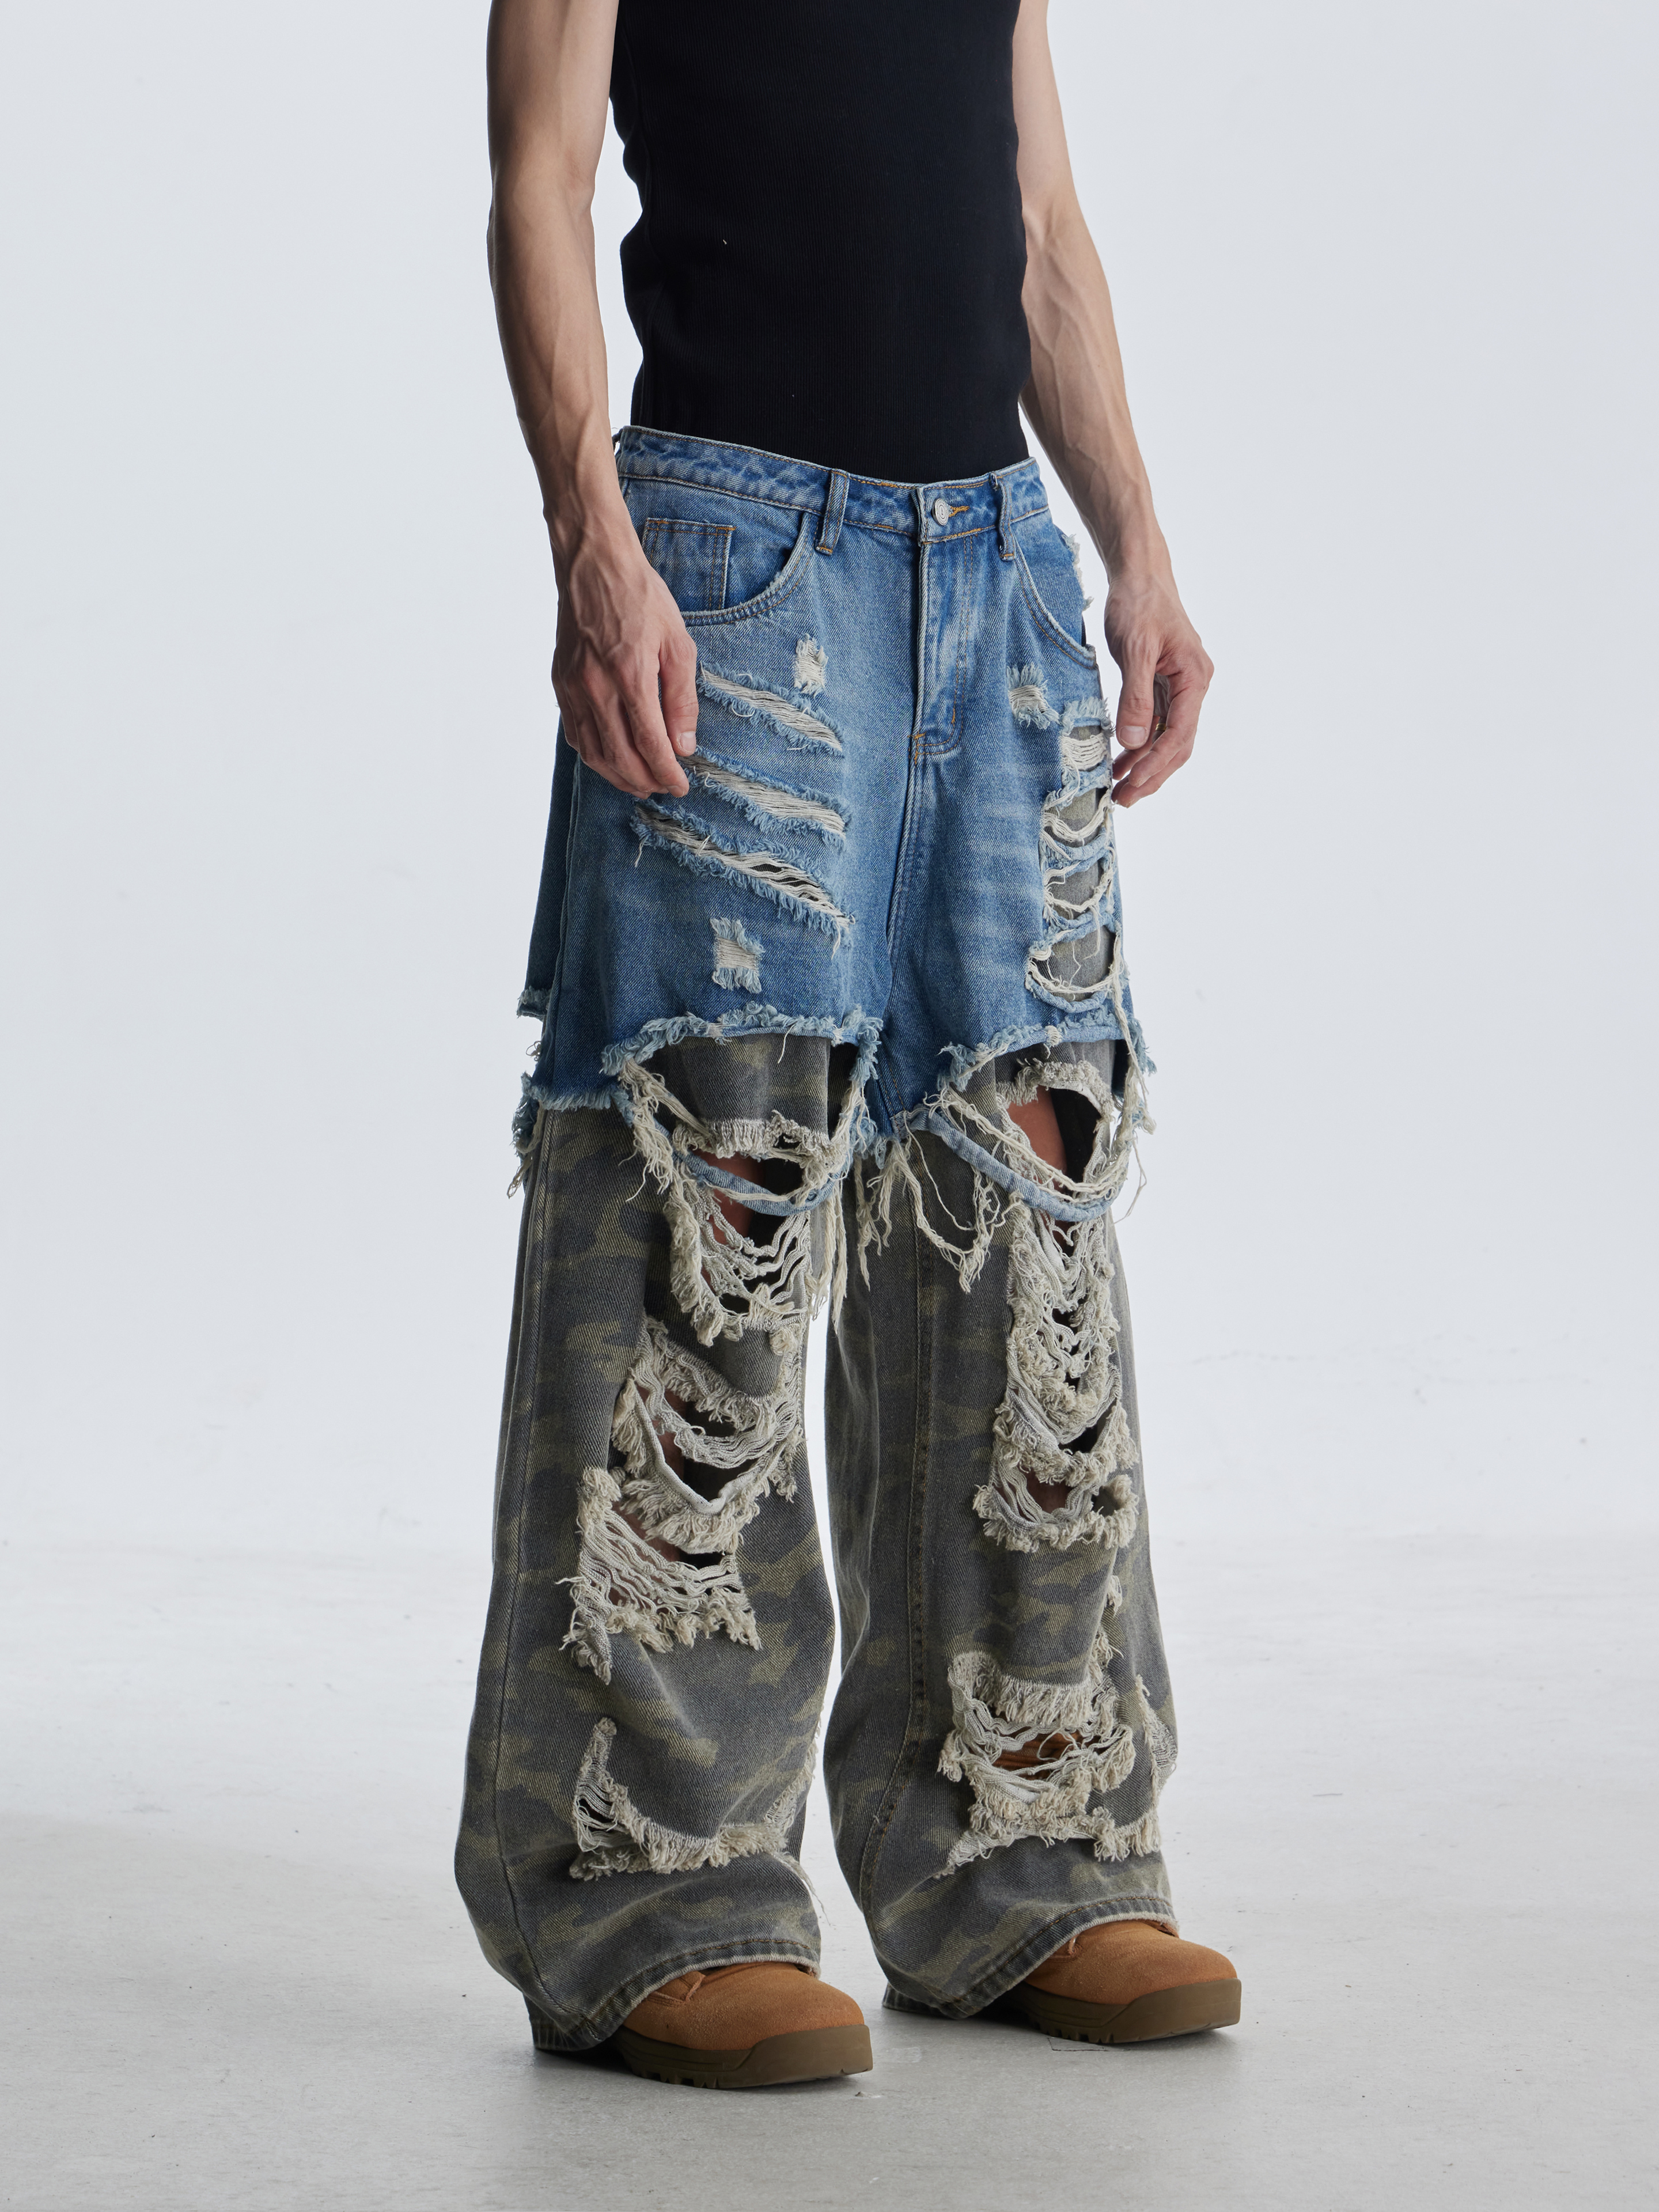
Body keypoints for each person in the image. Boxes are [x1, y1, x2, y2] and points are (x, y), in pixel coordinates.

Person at [457, 0, 1234, 2090]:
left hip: (998, 561)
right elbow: (537, 175)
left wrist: (1137, 541)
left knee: (1028, 1206)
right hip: (735, 549)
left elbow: (1037, 222)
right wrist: (592, 540)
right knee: (706, 1206)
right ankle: (647, 1890)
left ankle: (1029, 1849)